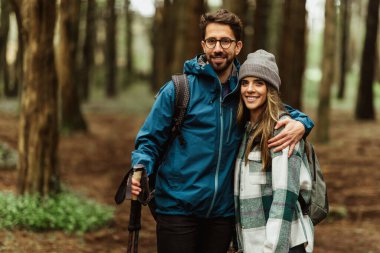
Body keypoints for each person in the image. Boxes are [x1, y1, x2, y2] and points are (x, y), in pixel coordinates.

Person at [130, 9, 314, 253]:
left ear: (237, 46)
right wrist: (140, 167)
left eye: (225, 41)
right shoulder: (179, 89)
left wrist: (302, 123)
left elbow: (277, 108)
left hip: (222, 216)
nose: (218, 48)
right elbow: (149, 140)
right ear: (203, 45)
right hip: (178, 209)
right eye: (211, 41)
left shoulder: (244, 89)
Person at [234, 50, 314, 253]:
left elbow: (284, 196)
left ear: (270, 89)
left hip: (282, 244)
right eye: (245, 83)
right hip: (253, 244)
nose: (249, 89)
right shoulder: (244, 130)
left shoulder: (283, 130)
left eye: (258, 83)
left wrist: (273, 248)